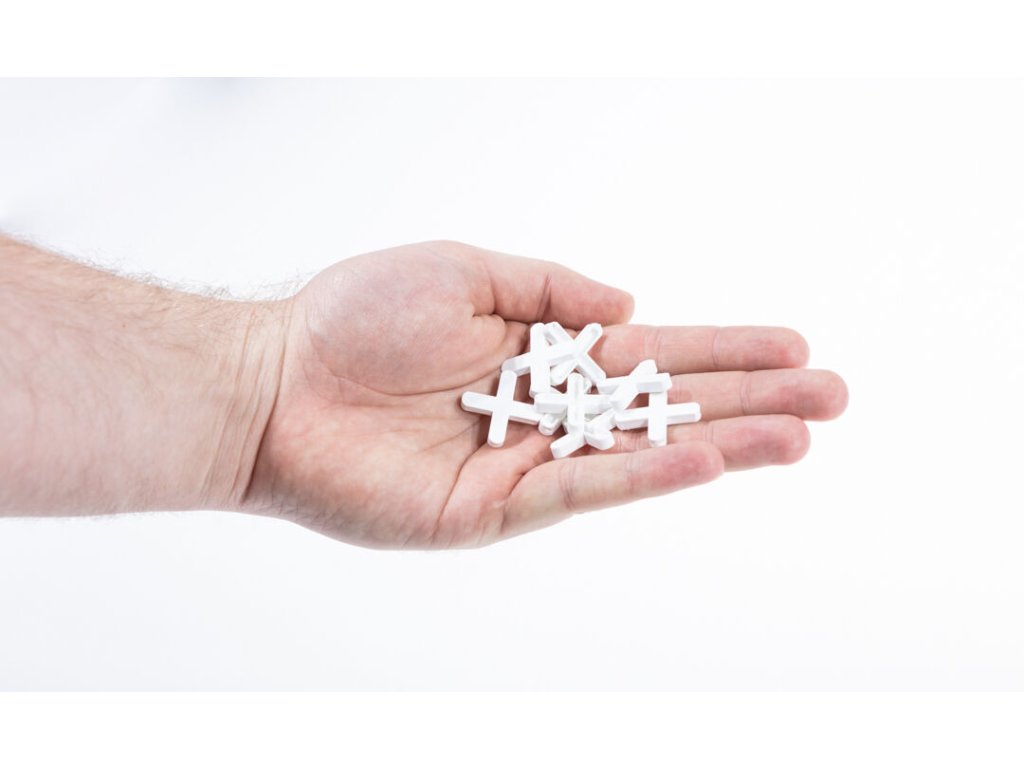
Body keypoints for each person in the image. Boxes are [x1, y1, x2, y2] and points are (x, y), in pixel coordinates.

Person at [0, 236, 847, 548]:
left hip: (565, 397)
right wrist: (269, 379)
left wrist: (263, 381)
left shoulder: (559, 381)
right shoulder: (535, 387)